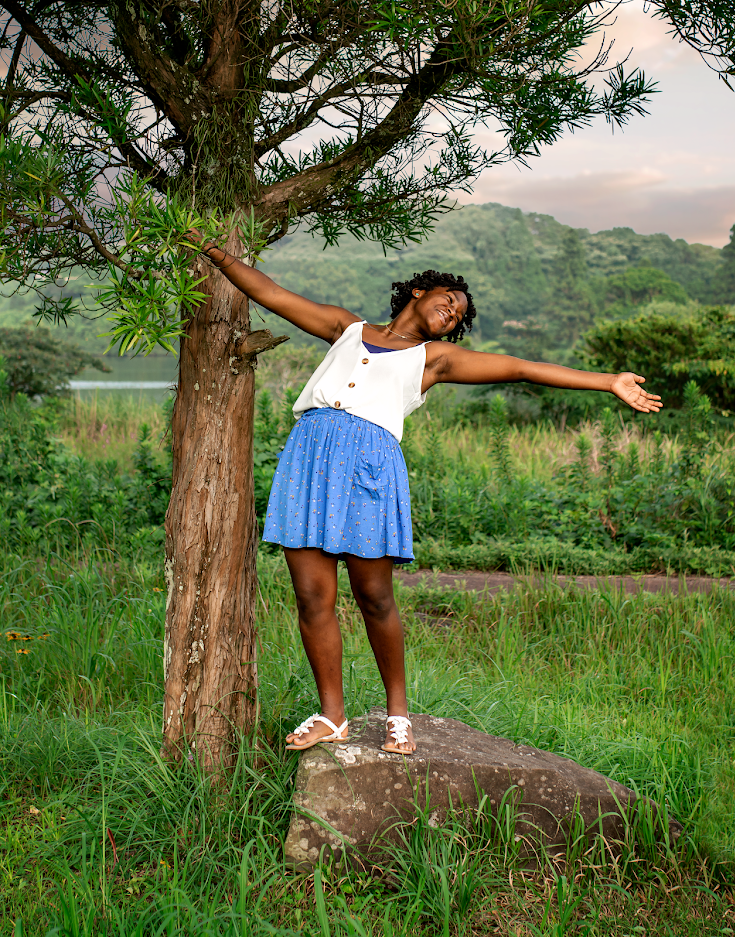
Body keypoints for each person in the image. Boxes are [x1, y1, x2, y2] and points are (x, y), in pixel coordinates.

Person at [194, 237, 662, 755]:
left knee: (374, 597)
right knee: (312, 596)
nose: (452, 313)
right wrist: (215, 253)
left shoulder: (433, 359)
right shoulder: (346, 329)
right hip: (311, 457)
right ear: (418, 290)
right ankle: (333, 715)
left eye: (458, 316)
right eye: (449, 299)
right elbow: (274, 293)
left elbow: (521, 367)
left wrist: (607, 382)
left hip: (371, 466)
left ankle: (398, 715)